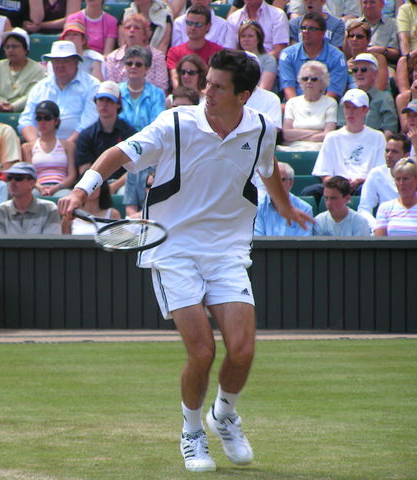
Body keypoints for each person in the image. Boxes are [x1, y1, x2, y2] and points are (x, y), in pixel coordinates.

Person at [57, 49, 312, 473]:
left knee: (243, 350)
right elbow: (117, 155)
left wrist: (283, 205)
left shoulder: (263, 129)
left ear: (243, 96)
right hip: (173, 249)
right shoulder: (175, 123)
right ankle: (192, 430)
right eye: (206, 82)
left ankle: (224, 415)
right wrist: (82, 191)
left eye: (217, 87)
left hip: (228, 249)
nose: (205, 91)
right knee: (203, 352)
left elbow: (266, 168)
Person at [306, 88, 386, 200]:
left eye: (355, 108)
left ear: (365, 110)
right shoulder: (332, 137)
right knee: (310, 191)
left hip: (364, 184)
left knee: (366, 190)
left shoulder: (378, 137)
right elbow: (324, 173)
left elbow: (380, 173)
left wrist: (359, 180)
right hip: (337, 186)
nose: (350, 112)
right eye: (347, 107)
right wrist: (340, 184)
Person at [18, 41, 99, 143]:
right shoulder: (40, 87)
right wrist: (37, 146)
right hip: (41, 144)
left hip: (79, 145)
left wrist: (65, 147)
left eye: (65, 60)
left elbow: (90, 121)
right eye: (56, 61)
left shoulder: (92, 85)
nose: (60, 65)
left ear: (76, 62)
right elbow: (26, 120)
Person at [358, 133, 417, 228]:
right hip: (384, 229)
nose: (389, 155)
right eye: (387, 151)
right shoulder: (375, 174)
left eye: (394, 152)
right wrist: (378, 226)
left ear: (406, 155)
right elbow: (364, 209)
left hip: (416, 228)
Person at [75, 80, 137, 194]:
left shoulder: (129, 132)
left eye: (109, 100)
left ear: (118, 104)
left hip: (122, 184)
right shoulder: (86, 135)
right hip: (95, 187)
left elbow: (135, 167)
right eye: (100, 100)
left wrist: (113, 186)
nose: (104, 104)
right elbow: (84, 170)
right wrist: (99, 189)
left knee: (124, 192)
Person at [279, 12, 348, 101]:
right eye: (303, 28)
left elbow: (333, 92)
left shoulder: (337, 57)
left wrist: (317, 109)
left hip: (325, 106)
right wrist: (298, 108)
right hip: (295, 105)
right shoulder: (288, 54)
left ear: (323, 33)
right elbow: (288, 88)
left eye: (311, 28)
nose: (306, 32)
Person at [21, 100, 77, 197]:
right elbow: (29, 175)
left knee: (65, 198)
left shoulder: (69, 146)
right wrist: (39, 187)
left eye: (47, 118)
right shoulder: (27, 147)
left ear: (56, 121)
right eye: (39, 118)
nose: (42, 122)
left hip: (61, 188)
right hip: (37, 187)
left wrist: (56, 187)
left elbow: (72, 176)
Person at [374, 158, 417, 236]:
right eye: (398, 179)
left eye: (406, 179)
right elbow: (380, 243)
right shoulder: (385, 208)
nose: (401, 183)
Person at [280, 60, 337, 152]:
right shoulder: (292, 103)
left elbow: (328, 135)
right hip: (293, 149)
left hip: (319, 149)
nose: (309, 82)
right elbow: (286, 134)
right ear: (300, 82)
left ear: (323, 83)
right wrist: (318, 133)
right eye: (305, 79)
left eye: (314, 79)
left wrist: (298, 135)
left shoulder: (330, 103)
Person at [0, 162, 62, 233]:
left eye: (18, 178)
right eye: (9, 178)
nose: (12, 182)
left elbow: (50, 243)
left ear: (31, 183)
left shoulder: (49, 209)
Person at [336, 53, 397, 137]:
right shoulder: (347, 98)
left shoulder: (384, 98)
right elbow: (340, 126)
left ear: (375, 74)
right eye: (355, 70)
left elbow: (390, 129)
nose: (359, 73)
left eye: (363, 69)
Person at [104, 14, 168, 92]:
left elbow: (161, 87)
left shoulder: (157, 56)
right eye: (128, 28)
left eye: (137, 28)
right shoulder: (112, 57)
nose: (131, 30)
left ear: (145, 34)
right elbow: (111, 87)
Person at [0, 28, 46, 113]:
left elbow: (31, 95)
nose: (10, 50)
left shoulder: (38, 70)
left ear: (25, 49)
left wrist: (12, 107)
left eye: (14, 46)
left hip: (25, 113)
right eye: (7, 47)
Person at [167, 6, 223, 90]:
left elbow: (217, 81)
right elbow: (176, 80)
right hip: (182, 96)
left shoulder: (218, 52)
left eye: (198, 24)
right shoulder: (174, 52)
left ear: (208, 26)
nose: (192, 28)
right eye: (189, 23)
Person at [254, 162, 314, 236]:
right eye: (271, 180)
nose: (275, 184)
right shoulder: (257, 207)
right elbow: (258, 240)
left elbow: (303, 243)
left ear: (291, 183)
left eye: (280, 180)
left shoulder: (305, 209)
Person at [118, 46, 165, 132]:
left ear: (147, 69)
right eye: (129, 63)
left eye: (138, 64)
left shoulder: (157, 94)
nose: (133, 67)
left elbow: (157, 126)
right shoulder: (117, 91)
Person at [349, 0, 400, 64]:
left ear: (382, 4)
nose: (368, 6)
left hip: (384, 66)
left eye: (372, 2)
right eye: (365, 2)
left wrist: (383, 50)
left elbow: (396, 54)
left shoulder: (393, 25)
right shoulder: (351, 24)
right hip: (356, 64)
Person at [343, 21, 389, 92]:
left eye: (359, 37)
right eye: (351, 36)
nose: (354, 39)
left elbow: (380, 87)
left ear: (368, 40)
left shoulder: (378, 59)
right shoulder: (346, 63)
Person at [237, 21, 277, 91]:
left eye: (250, 36)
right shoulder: (234, 60)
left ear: (259, 39)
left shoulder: (268, 60)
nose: (246, 39)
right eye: (243, 36)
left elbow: (264, 89)